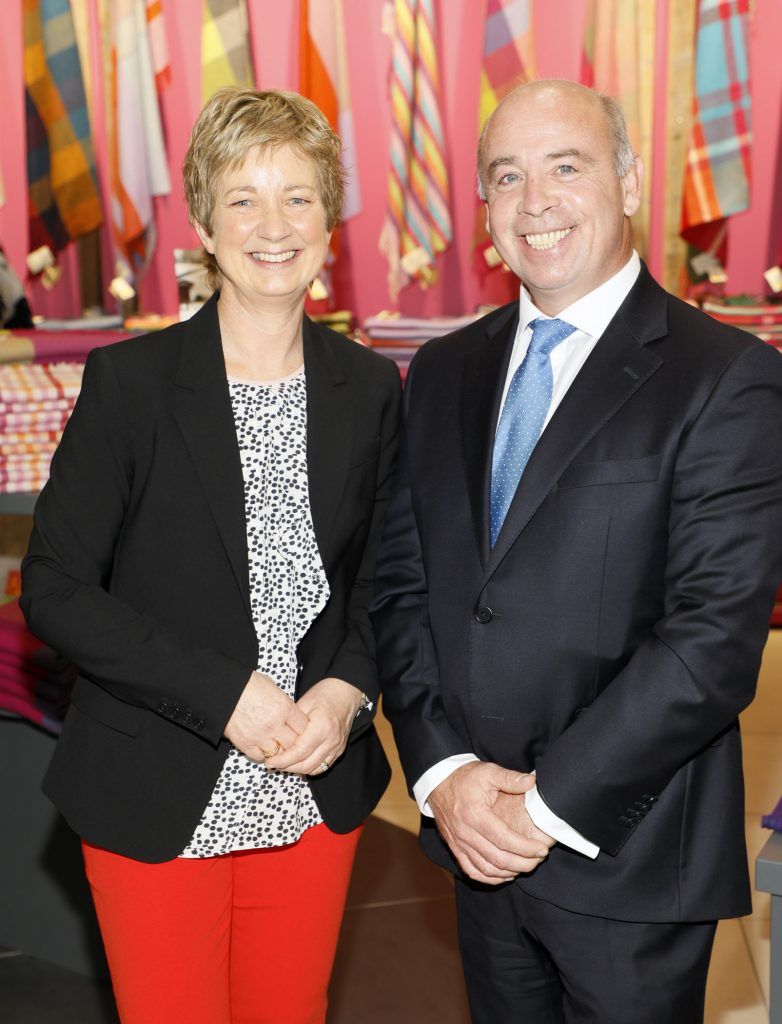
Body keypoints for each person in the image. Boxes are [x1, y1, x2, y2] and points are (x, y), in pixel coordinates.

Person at [370, 78, 782, 1023]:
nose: (534, 201)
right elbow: (404, 586)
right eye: (506, 176)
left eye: (567, 166)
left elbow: (712, 641)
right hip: (473, 843)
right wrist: (444, 776)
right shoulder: (442, 371)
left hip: (625, 850)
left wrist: (540, 806)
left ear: (630, 184)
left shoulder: (728, 378)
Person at [21, 87, 401, 1024]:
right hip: (158, 776)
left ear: (330, 220)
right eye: (243, 197)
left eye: (299, 196)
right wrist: (226, 694)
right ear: (202, 219)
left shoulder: (371, 388)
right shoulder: (131, 384)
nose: (273, 225)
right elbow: (55, 588)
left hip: (312, 780)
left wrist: (349, 691)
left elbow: (389, 577)